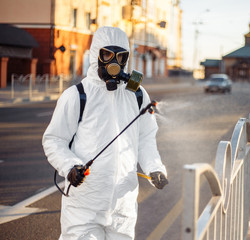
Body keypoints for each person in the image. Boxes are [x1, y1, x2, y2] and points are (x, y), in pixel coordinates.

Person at [42, 26, 168, 240]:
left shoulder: (136, 94)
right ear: (96, 55)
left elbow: (145, 138)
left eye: (120, 56)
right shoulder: (77, 95)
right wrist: (70, 166)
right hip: (84, 206)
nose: (114, 62)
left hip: (123, 206)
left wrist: (155, 168)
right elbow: (54, 140)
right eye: (107, 54)